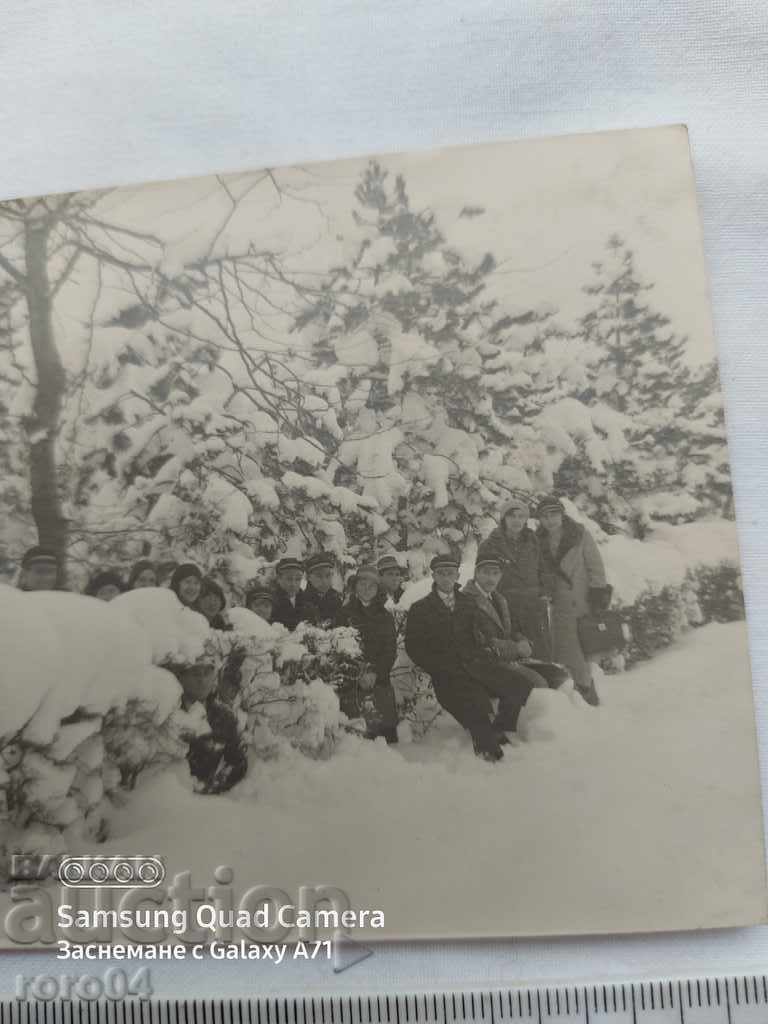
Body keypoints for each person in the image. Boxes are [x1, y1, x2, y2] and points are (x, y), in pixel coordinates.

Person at [405, 554, 507, 761]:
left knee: (485, 694)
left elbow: (479, 636)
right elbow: (414, 647)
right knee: (465, 699)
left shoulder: (468, 603)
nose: (446, 578)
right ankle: (488, 747)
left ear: (457, 575)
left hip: (472, 666)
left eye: (450, 573)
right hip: (444, 672)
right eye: (441, 574)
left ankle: (492, 737)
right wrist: (437, 667)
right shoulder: (420, 609)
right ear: (433, 576)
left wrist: (481, 656)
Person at [454, 553, 548, 744]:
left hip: (507, 657)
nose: (491, 578)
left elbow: (511, 630)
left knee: (556, 674)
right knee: (536, 682)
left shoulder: (498, 598)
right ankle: (506, 728)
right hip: (483, 661)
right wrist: (517, 648)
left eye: (495, 573)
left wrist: (524, 642)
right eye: (486, 573)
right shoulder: (467, 600)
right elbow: (481, 641)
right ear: (476, 574)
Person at [536, 495, 610, 706]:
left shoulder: (579, 534)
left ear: (562, 514)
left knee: (584, 646)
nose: (550, 520)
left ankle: (584, 690)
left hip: (583, 598)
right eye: (545, 516)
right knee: (568, 649)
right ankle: (584, 689)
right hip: (558, 603)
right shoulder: (537, 540)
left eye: (554, 514)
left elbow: (595, 565)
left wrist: (598, 594)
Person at [478, 492, 552, 659]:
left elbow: (544, 571)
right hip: (506, 608)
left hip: (534, 609)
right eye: (512, 516)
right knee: (514, 656)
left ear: (526, 519)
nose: (517, 520)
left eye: (521, 516)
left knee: (542, 655)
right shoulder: (490, 545)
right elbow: (481, 579)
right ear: (504, 519)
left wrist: (544, 594)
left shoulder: (534, 542)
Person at [338, 565, 398, 743]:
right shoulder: (344, 614)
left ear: (378, 589)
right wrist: (359, 672)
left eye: (371, 586)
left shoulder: (385, 616)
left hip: (379, 678)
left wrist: (375, 672)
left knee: (385, 735)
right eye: (362, 584)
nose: (366, 589)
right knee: (356, 735)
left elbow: (390, 650)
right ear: (355, 587)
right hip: (352, 680)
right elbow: (340, 649)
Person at [302, 552, 343, 628]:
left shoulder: (337, 599)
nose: (324, 581)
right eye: (319, 576)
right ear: (308, 577)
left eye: (328, 575)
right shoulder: (301, 601)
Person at [270, 557, 306, 631]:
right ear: (278, 579)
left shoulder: (307, 600)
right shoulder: (271, 602)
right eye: (289, 579)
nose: (293, 584)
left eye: (298, 579)